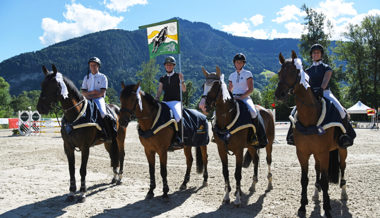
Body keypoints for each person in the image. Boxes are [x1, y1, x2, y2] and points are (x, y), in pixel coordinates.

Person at [286, 44, 356, 148]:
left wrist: (321, 89)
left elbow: (326, 80)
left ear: (321, 54)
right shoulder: (307, 71)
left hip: (325, 92)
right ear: (311, 55)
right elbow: (303, 83)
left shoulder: (326, 68)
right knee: (294, 112)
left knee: (341, 110)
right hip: (311, 94)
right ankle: (292, 135)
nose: (316, 54)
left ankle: (345, 136)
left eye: (318, 52)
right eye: (314, 53)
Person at [228, 53, 268, 148]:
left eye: (241, 62)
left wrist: (241, 97)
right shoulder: (231, 76)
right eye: (237, 62)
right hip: (233, 97)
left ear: (243, 64)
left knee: (253, 112)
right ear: (234, 63)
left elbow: (250, 89)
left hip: (245, 97)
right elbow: (230, 89)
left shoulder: (248, 73)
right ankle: (219, 134)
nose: (239, 64)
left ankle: (258, 136)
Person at [81, 57, 116, 143]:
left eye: (94, 65)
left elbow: (101, 93)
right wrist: (93, 92)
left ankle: (107, 134)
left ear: (98, 66)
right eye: (91, 65)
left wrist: (90, 93)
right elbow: (83, 92)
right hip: (87, 99)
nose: (92, 67)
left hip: (99, 99)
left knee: (103, 113)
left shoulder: (103, 77)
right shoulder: (86, 77)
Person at [155, 56, 186, 148]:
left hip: (176, 101)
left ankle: (178, 137)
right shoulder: (162, 78)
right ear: (165, 66)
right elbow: (160, 90)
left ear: (174, 66)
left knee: (177, 116)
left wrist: (182, 81)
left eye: (170, 65)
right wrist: (156, 98)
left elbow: (184, 90)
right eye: (167, 65)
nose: (168, 66)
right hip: (165, 102)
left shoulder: (178, 76)